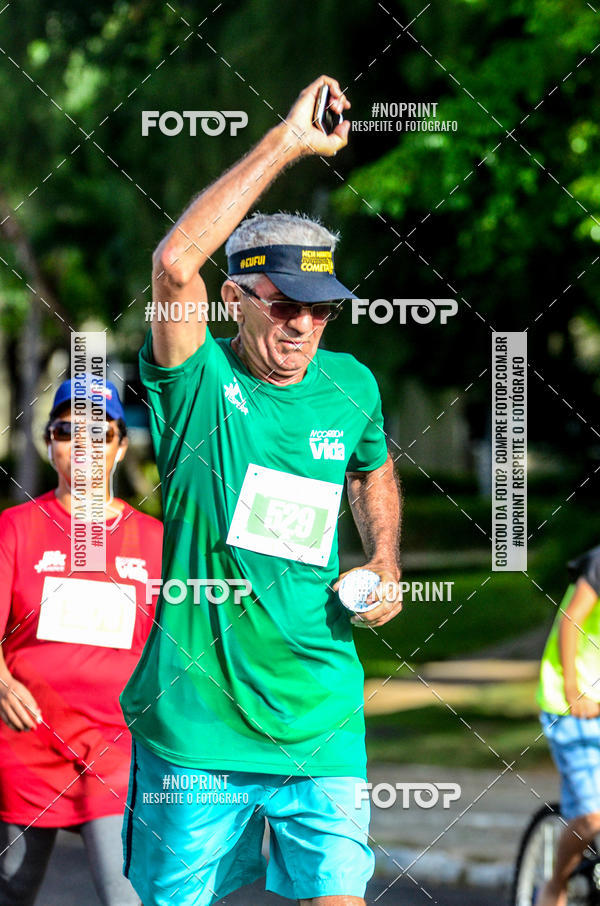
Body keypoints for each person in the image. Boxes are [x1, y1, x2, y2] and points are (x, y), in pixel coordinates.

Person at [120, 74, 403, 906]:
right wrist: (288, 142)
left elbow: (371, 466)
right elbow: (174, 264)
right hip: (200, 719)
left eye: (321, 311)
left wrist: (385, 557)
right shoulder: (195, 383)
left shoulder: (350, 385)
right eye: (284, 306)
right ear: (236, 298)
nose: (303, 327)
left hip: (320, 708)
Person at [0, 377, 163, 906]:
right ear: (50, 444)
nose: (85, 446)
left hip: (116, 747)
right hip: (28, 743)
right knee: (14, 887)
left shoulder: (155, 541)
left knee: (126, 896)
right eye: (68, 431)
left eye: (102, 433)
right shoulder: (16, 528)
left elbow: (179, 650)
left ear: (120, 445)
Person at [535, 546, 600, 906]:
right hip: (573, 706)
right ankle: (555, 886)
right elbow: (571, 620)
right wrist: (575, 691)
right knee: (591, 819)